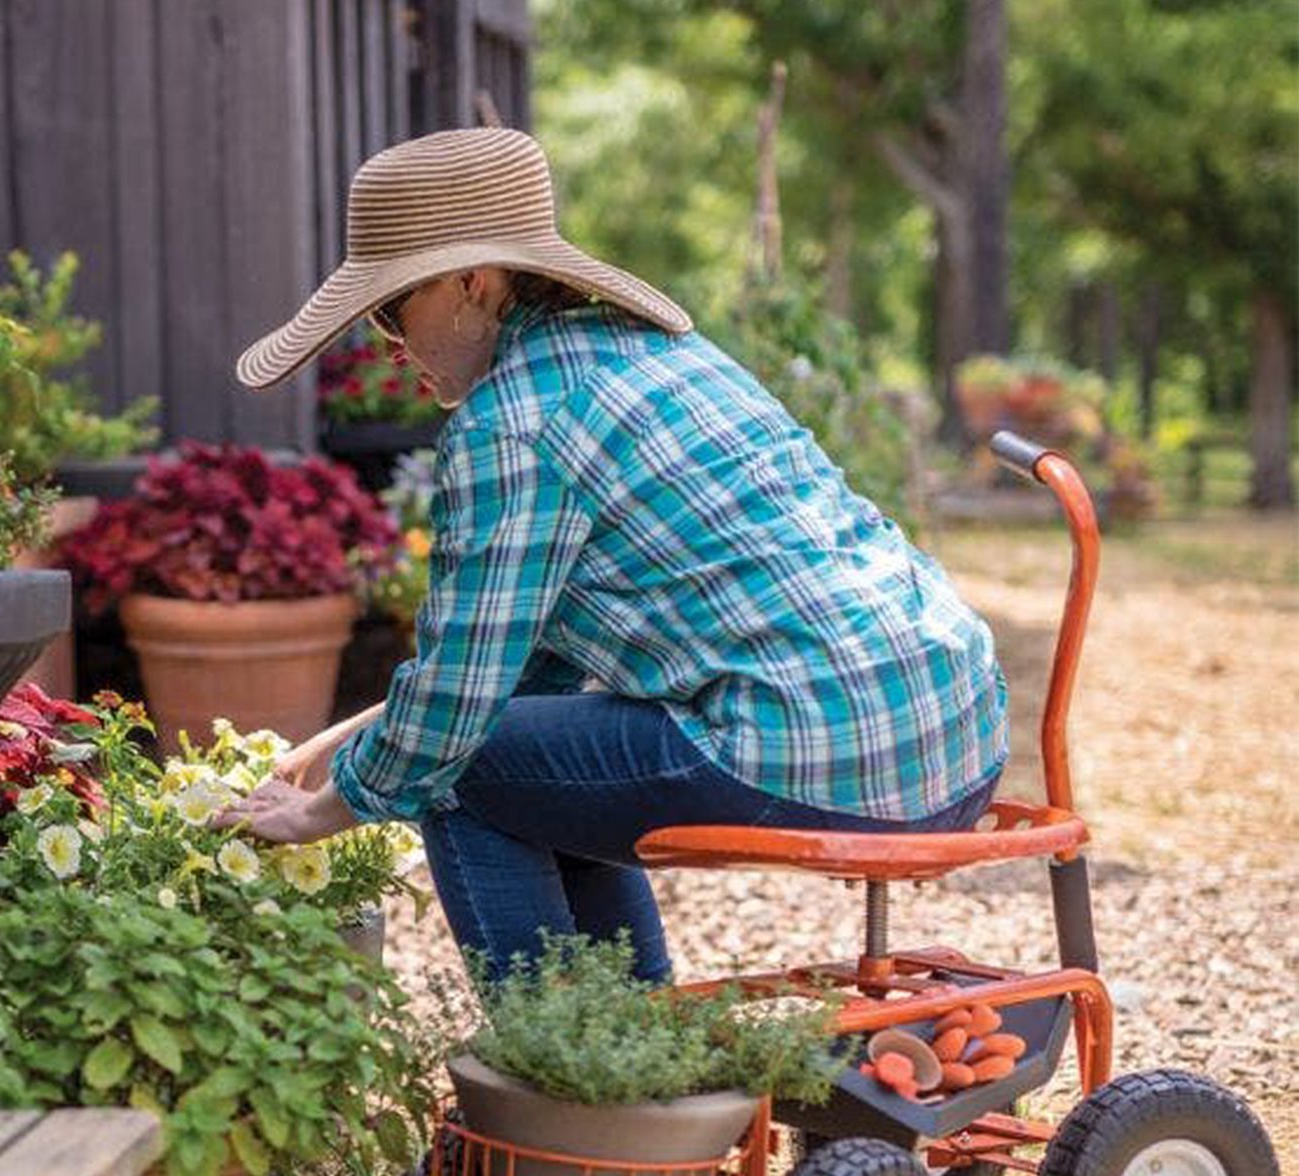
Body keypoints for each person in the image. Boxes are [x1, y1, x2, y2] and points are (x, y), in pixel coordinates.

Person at [222, 127, 1007, 991]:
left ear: (471, 284)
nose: (385, 343)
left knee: (464, 772)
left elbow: (456, 721)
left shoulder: (512, 422)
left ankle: (566, 1080)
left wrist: (322, 810)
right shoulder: (662, 356)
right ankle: (633, 1052)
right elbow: (525, 671)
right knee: (524, 760)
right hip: (955, 734)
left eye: (388, 308)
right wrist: (354, 739)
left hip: (823, 751)